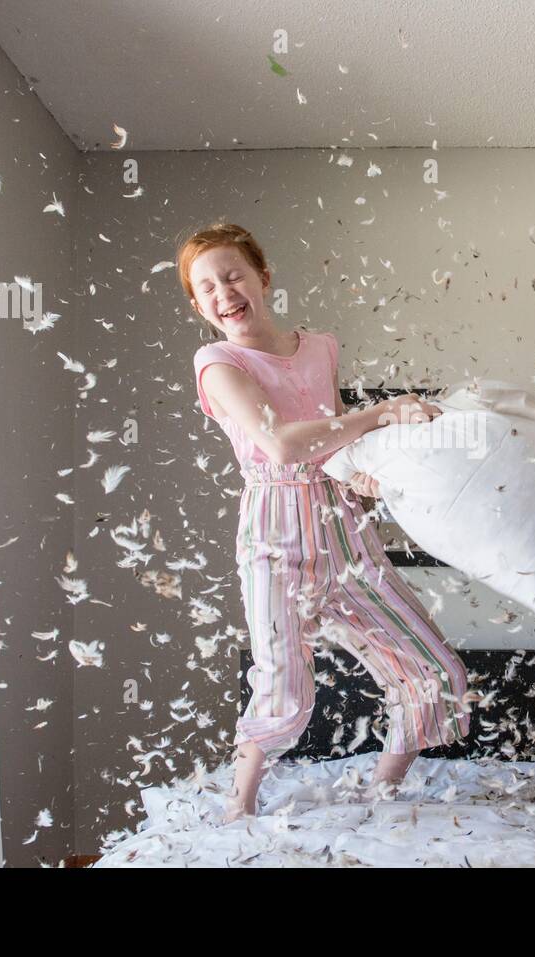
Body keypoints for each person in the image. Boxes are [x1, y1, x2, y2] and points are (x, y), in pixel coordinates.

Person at [180, 222, 471, 823]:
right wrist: (385, 412)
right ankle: (240, 803)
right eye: (205, 287)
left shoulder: (321, 347)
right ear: (197, 303)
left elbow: (331, 434)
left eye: (233, 275)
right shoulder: (217, 361)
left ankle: (382, 791)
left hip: (342, 528)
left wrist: (354, 474)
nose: (223, 292)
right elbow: (282, 445)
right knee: (283, 682)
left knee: (433, 668)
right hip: (273, 528)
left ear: (262, 277)